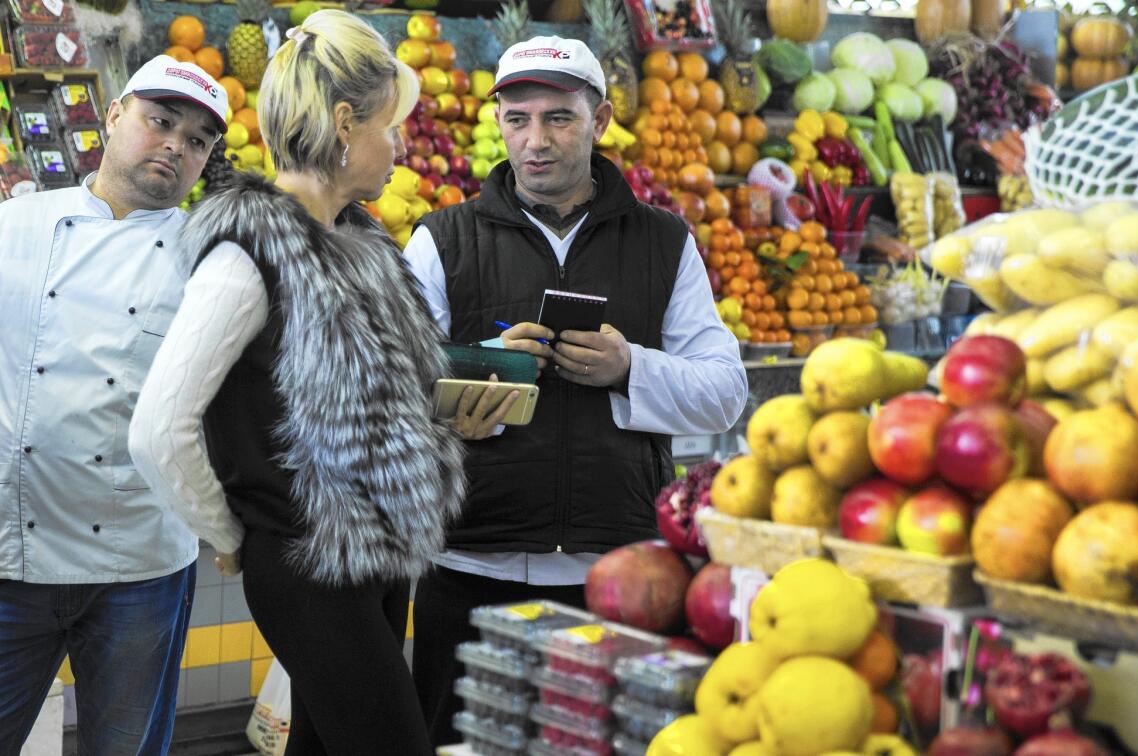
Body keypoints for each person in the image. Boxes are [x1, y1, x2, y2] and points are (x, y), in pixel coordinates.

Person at [127, 11, 482, 755]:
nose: (401, 144)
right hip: (308, 566)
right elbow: (160, 427)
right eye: (392, 125)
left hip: (377, 560)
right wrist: (230, 534)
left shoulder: (363, 244)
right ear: (346, 124)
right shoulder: (249, 251)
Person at [408, 35, 750, 746]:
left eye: (559, 118)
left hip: (621, 573)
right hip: (470, 564)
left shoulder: (664, 241)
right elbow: (387, 396)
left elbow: (725, 393)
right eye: (518, 118)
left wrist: (631, 368)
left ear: (599, 121)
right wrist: (478, 371)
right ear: (498, 122)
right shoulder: (441, 240)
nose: (536, 141)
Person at [0, 56, 226, 754]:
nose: (175, 146)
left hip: (140, 562)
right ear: (114, 113)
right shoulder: (16, 225)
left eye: (197, 140)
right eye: (161, 121)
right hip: (11, 554)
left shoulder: (212, 255)